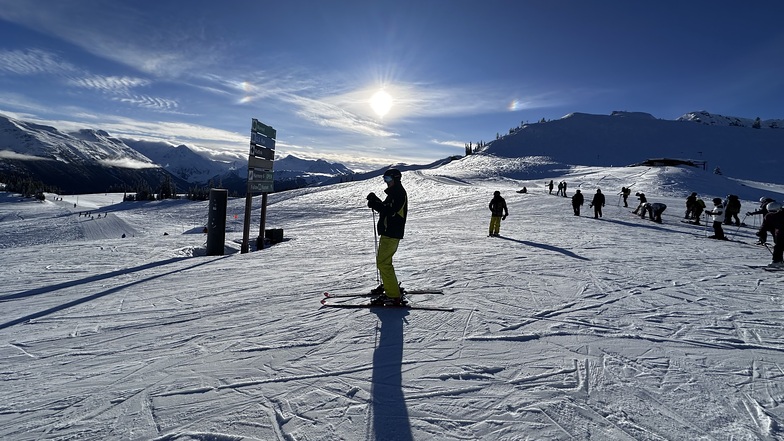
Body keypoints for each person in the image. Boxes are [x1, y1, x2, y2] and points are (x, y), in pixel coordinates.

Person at [366, 168, 408, 305]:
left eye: (388, 179)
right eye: (385, 179)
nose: (386, 182)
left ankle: (393, 295)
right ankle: (390, 286)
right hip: (389, 232)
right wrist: (376, 201)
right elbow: (386, 207)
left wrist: (376, 204)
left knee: (383, 263)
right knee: (384, 262)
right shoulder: (394, 193)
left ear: (395, 179)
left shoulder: (399, 193)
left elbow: (390, 211)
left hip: (392, 232)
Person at [756, 202, 784, 268]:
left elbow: (764, 226)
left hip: (779, 233)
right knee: (778, 247)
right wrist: (761, 232)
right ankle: (777, 261)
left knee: (778, 247)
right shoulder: (770, 216)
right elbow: (765, 225)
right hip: (779, 233)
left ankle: (777, 261)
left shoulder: (769, 216)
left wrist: (761, 232)